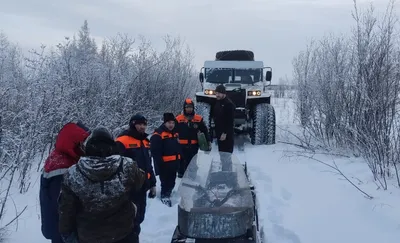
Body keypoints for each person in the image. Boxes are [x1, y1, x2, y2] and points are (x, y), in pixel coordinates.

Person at [58, 127, 146, 243]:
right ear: (112, 147)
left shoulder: (73, 174)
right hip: (124, 233)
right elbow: (142, 184)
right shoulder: (127, 165)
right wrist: (136, 213)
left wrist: (67, 234)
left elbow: (66, 209)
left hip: (88, 237)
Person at [39, 121, 90, 243]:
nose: (84, 146)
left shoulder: (61, 158)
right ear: (72, 142)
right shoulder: (62, 166)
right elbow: (62, 205)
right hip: (63, 231)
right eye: (82, 142)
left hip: (58, 228)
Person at [115, 114, 157, 242]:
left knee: (139, 218)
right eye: (139, 124)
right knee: (129, 219)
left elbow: (149, 164)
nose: (142, 127)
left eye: (144, 124)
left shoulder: (145, 141)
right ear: (133, 124)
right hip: (129, 188)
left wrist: (153, 183)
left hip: (143, 186)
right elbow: (115, 165)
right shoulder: (122, 141)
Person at [150, 112, 181, 206]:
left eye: (173, 123)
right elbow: (155, 152)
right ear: (164, 123)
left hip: (174, 163)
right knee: (165, 182)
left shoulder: (175, 133)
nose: (171, 125)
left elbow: (178, 147)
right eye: (169, 123)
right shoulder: (158, 134)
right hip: (164, 164)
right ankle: (164, 196)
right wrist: (160, 164)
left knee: (172, 181)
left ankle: (169, 193)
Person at [175, 98, 210, 178]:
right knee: (181, 161)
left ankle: (192, 176)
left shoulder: (198, 119)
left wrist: (208, 141)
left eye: (190, 107)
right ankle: (181, 177)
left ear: (193, 108)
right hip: (181, 146)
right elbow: (173, 130)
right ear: (184, 108)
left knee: (193, 162)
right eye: (187, 107)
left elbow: (205, 131)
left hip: (194, 145)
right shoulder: (178, 119)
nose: (189, 109)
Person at [213, 84, 235, 171]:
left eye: (219, 93)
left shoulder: (229, 104)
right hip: (219, 132)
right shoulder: (218, 102)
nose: (217, 95)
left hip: (226, 134)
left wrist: (225, 133)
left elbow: (230, 121)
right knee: (222, 154)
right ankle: (224, 171)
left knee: (227, 155)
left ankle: (228, 173)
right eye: (216, 93)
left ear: (223, 93)